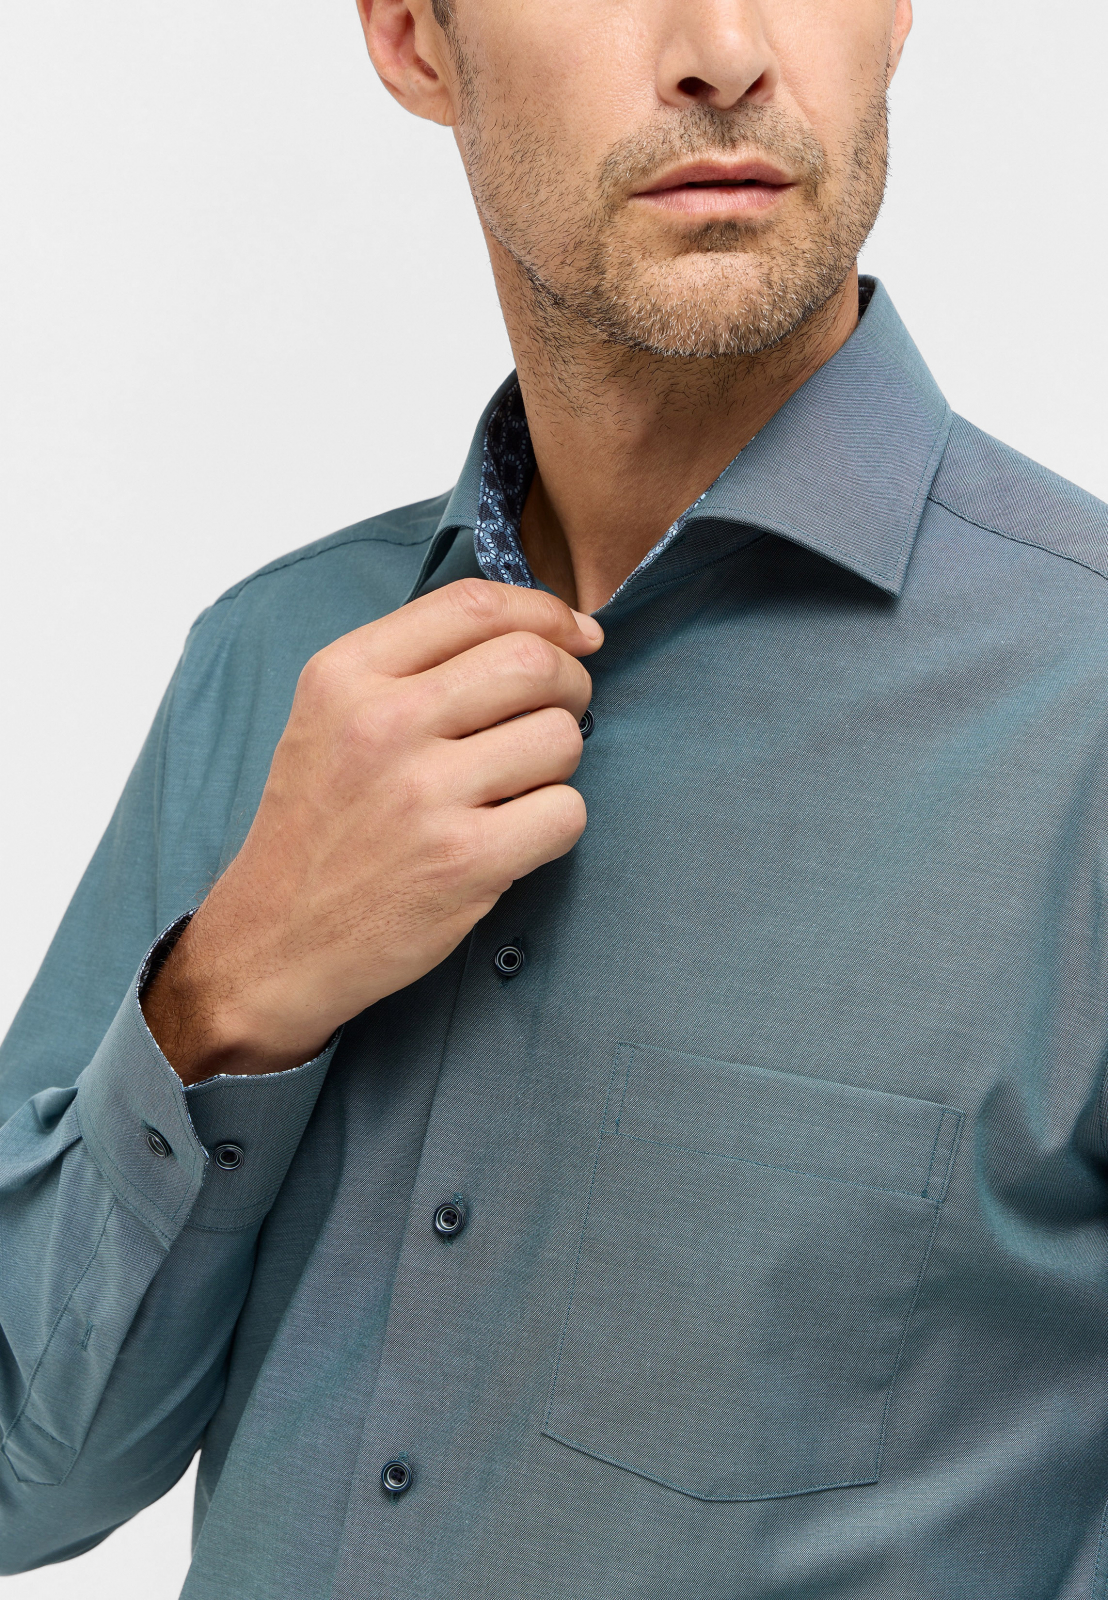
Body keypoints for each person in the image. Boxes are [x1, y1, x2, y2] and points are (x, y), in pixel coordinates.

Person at [3, 0, 1108, 1593]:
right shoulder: (270, 668)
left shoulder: (1079, 713)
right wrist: (229, 993)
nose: (724, 48)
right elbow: (23, 1478)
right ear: (414, 40)